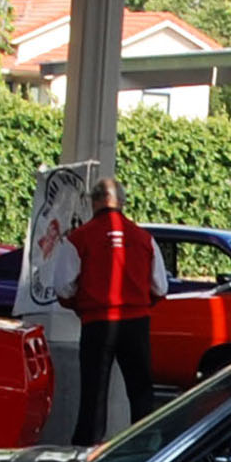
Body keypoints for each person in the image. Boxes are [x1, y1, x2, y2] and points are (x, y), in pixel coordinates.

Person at [56, 173, 169, 441]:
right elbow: (160, 288)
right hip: (136, 322)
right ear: (123, 203)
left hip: (97, 323)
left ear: (93, 202)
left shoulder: (78, 239)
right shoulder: (144, 238)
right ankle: (143, 448)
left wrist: (81, 305)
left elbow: (63, 288)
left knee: (94, 394)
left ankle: (87, 451)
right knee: (141, 390)